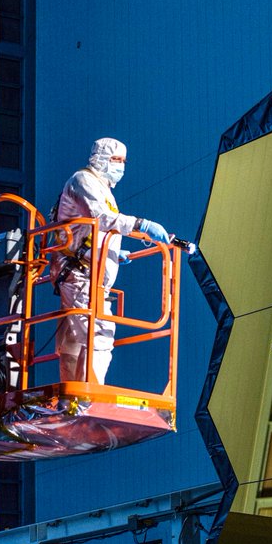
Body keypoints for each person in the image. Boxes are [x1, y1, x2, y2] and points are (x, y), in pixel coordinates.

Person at [52, 137, 169, 384]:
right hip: (80, 274)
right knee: (99, 336)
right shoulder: (82, 180)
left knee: (75, 338)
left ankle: (70, 396)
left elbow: (93, 232)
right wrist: (141, 224)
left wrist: (114, 253)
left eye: (124, 161)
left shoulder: (101, 188)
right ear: (100, 158)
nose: (121, 166)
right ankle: (88, 397)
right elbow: (101, 218)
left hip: (87, 274)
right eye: (116, 159)